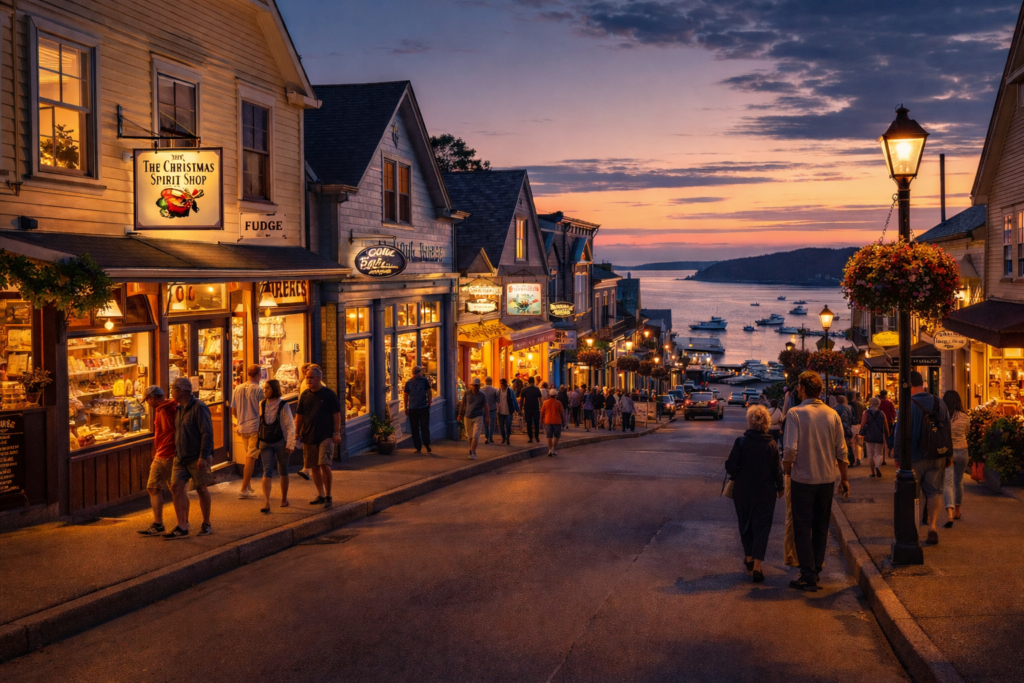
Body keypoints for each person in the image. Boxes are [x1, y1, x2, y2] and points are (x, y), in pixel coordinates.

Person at [783, 371, 849, 591]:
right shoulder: (832, 414)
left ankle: (807, 573)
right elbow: (842, 450)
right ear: (820, 391)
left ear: (801, 389)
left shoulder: (795, 413)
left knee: (802, 527)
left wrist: (786, 469)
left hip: (803, 479)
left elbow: (790, 449)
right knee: (821, 526)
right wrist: (844, 479)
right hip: (827, 479)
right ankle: (815, 569)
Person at [726, 405, 785, 583]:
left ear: (750, 421)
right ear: (767, 422)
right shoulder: (771, 444)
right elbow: (777, 470)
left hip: (743, 490)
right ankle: (758, 567)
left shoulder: (741, 442)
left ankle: (749, 558)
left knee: (745, 523)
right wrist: (780, 488)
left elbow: (730, 467)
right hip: (765, 492)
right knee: (762, 527)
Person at [893, 371, 951, 545]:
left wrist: (897, 455)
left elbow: (900, 432)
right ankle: (932, 527)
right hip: (937, 453)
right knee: (934, 491)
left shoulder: (907, 404)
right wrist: (948, 454)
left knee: (913, 493)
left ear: (909, 385)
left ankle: (914, 531)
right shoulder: (938, 402)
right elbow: (947, 429)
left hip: (915, 455)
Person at [163, 378, 215, 540]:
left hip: (196, 457)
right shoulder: (179, 409)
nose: (171, 392)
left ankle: (206, 523)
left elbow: (207, 432)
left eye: (173, 389)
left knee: (201, 489)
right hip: (181, 457)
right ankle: (182, 525)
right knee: (176, 488)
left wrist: (203, 455)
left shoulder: (199, 407)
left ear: (182, 391)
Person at [294, 365, 342, 509]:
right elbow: (299, 416)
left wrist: (337, 433)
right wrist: (297, 433)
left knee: (324, 464)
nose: (308, 380)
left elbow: (336, 415)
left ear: (319, 378)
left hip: (326, 435)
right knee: (314, 466)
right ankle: (320, 494)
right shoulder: (305, 395)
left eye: (311, 378)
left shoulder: (328, 394)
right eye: (307, 377)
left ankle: (328, 494)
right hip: (308, 435)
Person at [138, 386, 177, 536]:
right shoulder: (172, 407)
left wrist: (161, 451)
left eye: (147, 399)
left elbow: (168, 432)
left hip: (165, 454)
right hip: (169, 453)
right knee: (176, 489)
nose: (147, 402)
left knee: (154, 487)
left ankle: (159, 524)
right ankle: (180, 522)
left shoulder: (163, 411)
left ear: (153, 398)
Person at [256, 379, 296, 513]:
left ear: (274, 389)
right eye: (264, 388)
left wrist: (290, 444)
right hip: (265, 441)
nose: (265, 390)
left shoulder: (283, 404)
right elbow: (260, 422)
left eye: (267, 388)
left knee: (282, 469)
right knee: (266, 470)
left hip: (281, 441)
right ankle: (266, 502)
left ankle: (284, 498)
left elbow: (290, 425)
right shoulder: (261, 404)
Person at [232, 364, 266, 499]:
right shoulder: (258, 389)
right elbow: (262, 410)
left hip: (242, 426)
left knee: (248, 456)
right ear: (259, 374)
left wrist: (240, 419)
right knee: (250, 458)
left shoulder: (237, 388)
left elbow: (233, 410)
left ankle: (249, 485)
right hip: (255, 427)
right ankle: (243, 489)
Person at [942, 390, 969, 528]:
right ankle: (958, 510)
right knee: (958, 482)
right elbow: (967, 431)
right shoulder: (965, 416)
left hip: (949, 451)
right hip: (963, 450)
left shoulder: (943, 416)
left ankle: (950, 514)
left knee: (948, 483)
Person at [403, 366, 433, 454]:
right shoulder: (408, 383)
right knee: (415, 428)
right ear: (416, 373)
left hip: (423, 407)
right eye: (419, 372)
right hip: (413, 409)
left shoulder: (424, 381)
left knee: (424, 427)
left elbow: (429, 391)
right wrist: (406, 407)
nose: (419, 374)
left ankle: (426, 444)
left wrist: (429, 401)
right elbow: (406, 395)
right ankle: (418, 447)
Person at [457, 377, 489, 459]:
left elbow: (485, 406)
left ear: (479, 386)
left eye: (477, 386)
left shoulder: (482, 395)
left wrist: (488, 417)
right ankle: (473, 451)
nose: (475, 387)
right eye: (474, 386)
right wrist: (460, 414)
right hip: (468, 417)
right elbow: (462, 404)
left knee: (476, 435)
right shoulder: (467, 393)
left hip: (478, 417)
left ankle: (472, 451)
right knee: (470, 437)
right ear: (471, 386)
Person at [860, 396, 890, 478]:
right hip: (879, 435)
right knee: (879, 453)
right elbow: (886, 425)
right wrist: (887, 434)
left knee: (870, 454)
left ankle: (872, 472)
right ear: (878, 403)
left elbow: (862, 424)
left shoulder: (866, 413)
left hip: (869, 435)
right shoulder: (881, 413)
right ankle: (877, 465)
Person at [294, 363, 313, 481]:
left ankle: (307, 468)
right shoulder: (304, 384)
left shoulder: (307, 385)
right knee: (306, 444)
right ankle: (307, 468)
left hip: (308, 417)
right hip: (306, 416)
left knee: (308, 445)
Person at [833, 395, 856, 467]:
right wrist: (849, 432)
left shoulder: (834, 409)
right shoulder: (848, 408)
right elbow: (849, 421)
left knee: (837, 446)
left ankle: (839, 461)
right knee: (846, 446)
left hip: (836, 430)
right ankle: (849, 460)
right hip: (845, 430)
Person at [541, 391, 566, 457]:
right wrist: (564, 420)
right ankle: (553, 449)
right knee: (557, 436)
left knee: (549, 436)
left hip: (547, 421)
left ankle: (549, 449)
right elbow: (562, 413)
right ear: (556, 395)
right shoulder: (558, 403)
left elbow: (542, 412)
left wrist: (541, 420)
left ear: (549, 395)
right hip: (557, 421)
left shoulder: (545, 402)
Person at [496, 378, 520, 445]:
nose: (502, 385)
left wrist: (516, 409)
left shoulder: (510, 391)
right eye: (501, 384)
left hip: (508, 411)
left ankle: (508, 438)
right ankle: (504, 438)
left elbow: (514, 400)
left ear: (505, 384)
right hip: (500, 411)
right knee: (501, 426)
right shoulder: (498, 391)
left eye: (503, 383)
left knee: (508, 425)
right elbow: (496, 400)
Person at [520, 377, 543, 444]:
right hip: (535, 408)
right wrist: (541, 407)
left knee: (528, 423)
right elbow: (540, 399)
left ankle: (530, 438)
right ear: (534, 381)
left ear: (528, 381)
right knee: (536, 423)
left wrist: (521, 408)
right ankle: (537, 437)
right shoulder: (537, 389)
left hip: (527, 408)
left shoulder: (524, 389)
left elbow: (521, 400)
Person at [878, 389, 897, 465]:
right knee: (888, 436)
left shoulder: (878, 402)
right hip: (888, 422)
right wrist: (893, 418)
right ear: (886, 395)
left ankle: (881, 454)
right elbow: (893, 412)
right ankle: (887, 453)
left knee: (880, 437)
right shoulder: (889, 403)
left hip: (879, 421)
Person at [478, 377, 498, 445]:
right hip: (492, 408)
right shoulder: (495, 390)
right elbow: (497, 399)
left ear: (485, 381)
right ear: (491, 382)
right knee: (491, 424)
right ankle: (490, 437)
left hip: (483, 408)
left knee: (485, 423)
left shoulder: (481, 390)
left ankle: (486, 436)